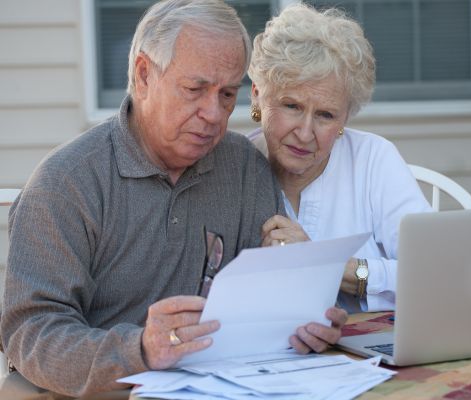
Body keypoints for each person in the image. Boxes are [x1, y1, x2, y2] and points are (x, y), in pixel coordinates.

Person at [0, 0, 347, 397]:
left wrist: (301, 322)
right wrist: (141, 350)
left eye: (228, 94)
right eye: (195, 89)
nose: (214, 113)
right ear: (144, 75)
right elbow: (31, 333)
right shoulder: (67, 183)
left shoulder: (245, 169)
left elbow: (259, 311)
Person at [248, 3, 431, 313]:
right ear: (256, 96)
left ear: (346, 118)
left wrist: (328, 266)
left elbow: (435, 270)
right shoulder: (233, 170)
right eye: (291, 106)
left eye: (325, 115)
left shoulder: (373, 159)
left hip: (377, 351)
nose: (305, 133)